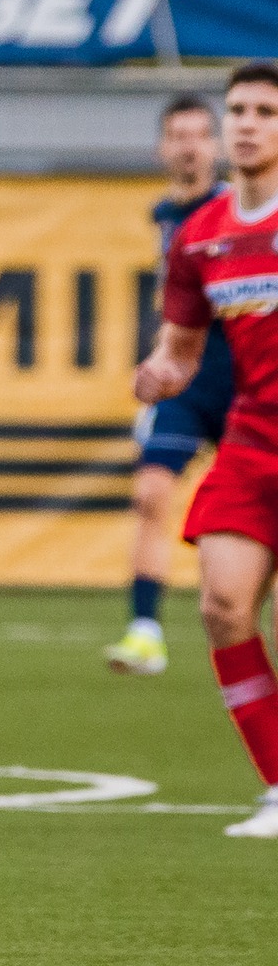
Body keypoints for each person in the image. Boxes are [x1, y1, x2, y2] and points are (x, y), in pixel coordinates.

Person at [135, 60, 278, 839]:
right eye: (240, 110)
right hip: (253, 436)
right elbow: (183, 344)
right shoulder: (202, 235)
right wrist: (163, 369)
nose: (249, 124)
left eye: (265, 111)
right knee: (223, 605)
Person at [107, 96, 231, 676]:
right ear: (162, 147)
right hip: (186, 385)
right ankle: (144, 632)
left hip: (243, 382)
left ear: (216, 145)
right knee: (151, 494)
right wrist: (161, 361)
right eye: (179, 136)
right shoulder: (166, 215)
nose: (189, 147)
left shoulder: (233, 210)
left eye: (200, 135)